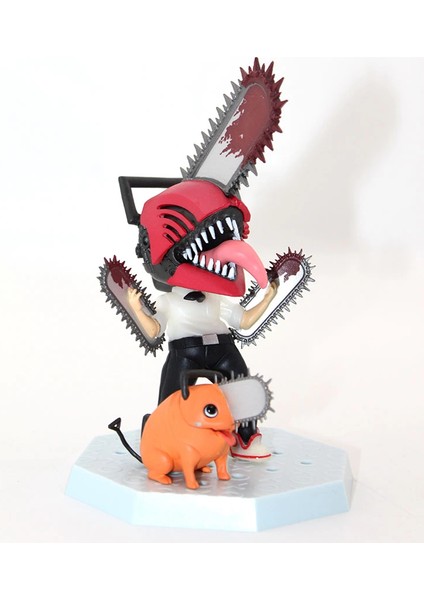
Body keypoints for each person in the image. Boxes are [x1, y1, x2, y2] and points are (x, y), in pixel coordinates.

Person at [128, 281, 278, 459]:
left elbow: (243, 321)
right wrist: (137, 309)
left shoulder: (214, 296)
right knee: (170, 400)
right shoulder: (167, 300)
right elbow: (154, 330)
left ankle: (246, 437)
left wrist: (267, 299)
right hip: (185, 352)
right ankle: (164, 442)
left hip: (223, 349)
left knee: (243, 388)